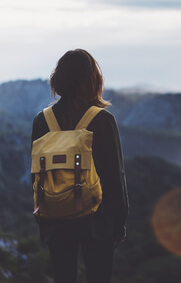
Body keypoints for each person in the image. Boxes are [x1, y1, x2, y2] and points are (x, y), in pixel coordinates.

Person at [31, 49, 129, 283]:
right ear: (94, 80)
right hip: (97, 219)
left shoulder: (41, 121)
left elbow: (35, 175)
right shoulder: (103, 120)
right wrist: (119, 223)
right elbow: (115, 176)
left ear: (58, 79)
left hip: (55, 217)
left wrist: (42, 216)